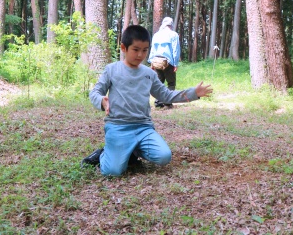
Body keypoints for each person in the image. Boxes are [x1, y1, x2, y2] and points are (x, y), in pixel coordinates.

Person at [82, 25, 213, 176]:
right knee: (112, 172)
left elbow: (165, 95)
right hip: (118, 126)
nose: (140, 55)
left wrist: (193, 93)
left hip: (143, 128)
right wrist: (101, 100)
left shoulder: (149, 74)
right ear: (124, 48)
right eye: (136, 49)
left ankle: (130, 151)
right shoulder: (112, 69)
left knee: (164, 156)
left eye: (145, 50)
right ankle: (103, 154)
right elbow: (95, 92)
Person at [148, 17, 181, 109]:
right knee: (171, 83)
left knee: (159, 83)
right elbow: (176, 50)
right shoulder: (174, 35)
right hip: (168, 62)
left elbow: (153, 49)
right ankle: (168, 102)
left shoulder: (156, 35)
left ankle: (158, 102)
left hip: (156, 61)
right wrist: (175, 63)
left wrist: (151, 62)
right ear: (171, 25)